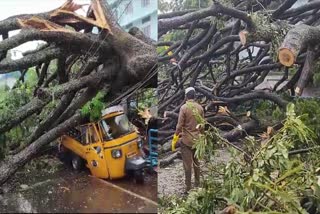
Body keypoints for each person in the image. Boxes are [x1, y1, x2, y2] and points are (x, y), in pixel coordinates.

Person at [173, 87, 204, 193]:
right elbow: (203, 125)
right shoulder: (200, 108)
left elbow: (179, 125)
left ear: (186, 96)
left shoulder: (184, 108)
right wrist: (202, 136)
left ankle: (188, 187)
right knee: (197, 163)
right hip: (197, 141)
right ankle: (198, 184)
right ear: (194, 96)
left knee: (187, 165)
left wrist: (176, 135)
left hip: (186, 140)